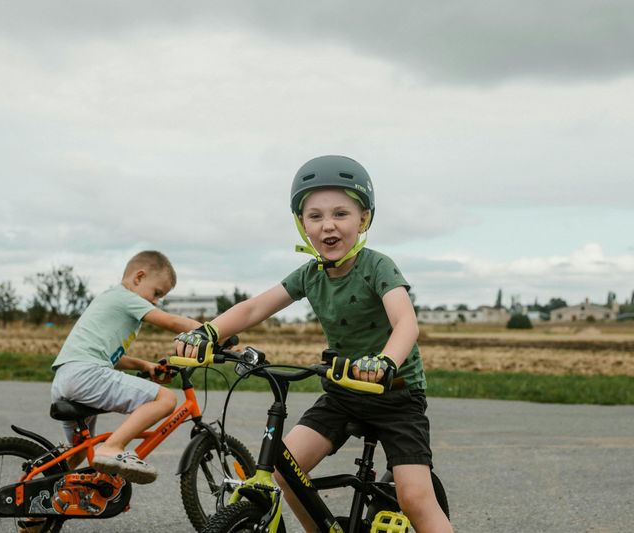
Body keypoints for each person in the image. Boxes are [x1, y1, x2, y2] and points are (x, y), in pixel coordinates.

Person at [174, 156, 452, 533]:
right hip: (342, 393)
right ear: (302, 224)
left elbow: (405, 322)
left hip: (396, 396)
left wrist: (385, 361)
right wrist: (207, 333)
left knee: (415, 498)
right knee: (286, 472)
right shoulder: (310, 274)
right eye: (315, 216)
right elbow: (255, 306)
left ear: (363, 219)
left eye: (341, 213)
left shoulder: (377, 267)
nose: (328, 225)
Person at [50, 250, 200, 484]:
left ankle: (41, 506)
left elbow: (111, 356)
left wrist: (144, 365)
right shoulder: (126, 297)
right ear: (138, 277)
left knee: (78, 451)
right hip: (86, 374)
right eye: (157, 293)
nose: (155, 301)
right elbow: (172, 322)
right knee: (166, 400)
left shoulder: (112, 299)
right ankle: (113, 447)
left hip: (67, 377)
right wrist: (213, 334)